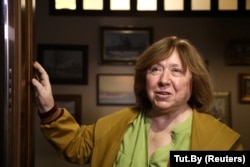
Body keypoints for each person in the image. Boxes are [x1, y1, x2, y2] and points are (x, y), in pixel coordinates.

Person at [32, 36, 243, 167]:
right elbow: (75, 145)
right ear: (145, 79)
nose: (163, 80)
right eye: (155, 69)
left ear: (193, 82)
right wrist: (48, 107)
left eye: (176, 71)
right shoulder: (116, 124)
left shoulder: (221, 143)